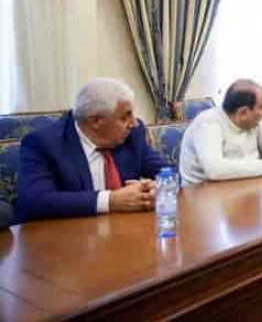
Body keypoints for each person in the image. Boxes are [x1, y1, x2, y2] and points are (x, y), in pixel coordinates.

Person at [16, 78, 166, 223]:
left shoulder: (133, 134)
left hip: (123, 228)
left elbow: (166, 172)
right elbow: (35, 201)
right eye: (124, 117)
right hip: (69, 232)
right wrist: (110, 200)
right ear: (95, 121)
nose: (134, 123)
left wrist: (157, 187)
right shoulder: (44, 143)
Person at [178, 79, 262, 186]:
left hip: (248, 187)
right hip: (203, 194)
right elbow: (215, 170)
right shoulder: (208, 123)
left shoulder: (256, 119)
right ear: (243, 112)